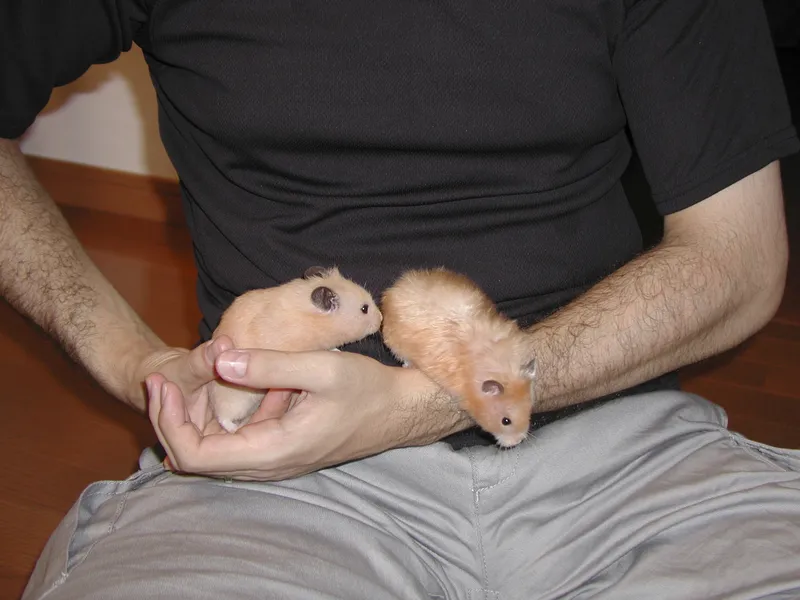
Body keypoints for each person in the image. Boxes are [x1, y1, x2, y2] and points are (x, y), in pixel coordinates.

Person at [4, 0, 800, 598]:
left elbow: (741, 258)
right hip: (277, 473)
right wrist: (138, 361)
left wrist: (424, 401)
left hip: (628, 453)